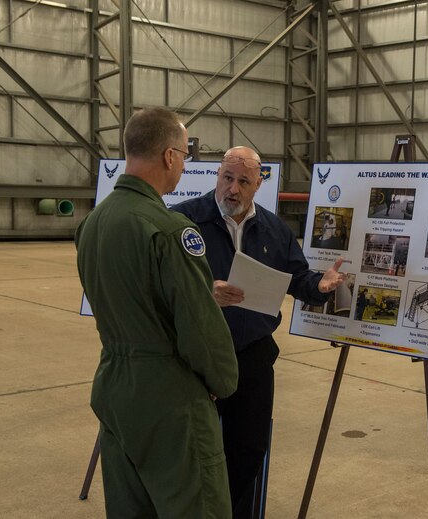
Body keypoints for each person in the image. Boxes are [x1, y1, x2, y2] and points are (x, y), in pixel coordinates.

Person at [75, 108, 239, 518]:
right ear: (169, 156)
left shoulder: (94, 223)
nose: (184, 166)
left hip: (115, 386)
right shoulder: (169, 230)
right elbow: (199, 327)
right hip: (170, 400)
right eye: (185, 155)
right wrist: (222, 381)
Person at [171, 146, 346, 518]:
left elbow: (297, 276)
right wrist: (205, 291)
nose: (232, 189)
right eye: (227, 178)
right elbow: (159, 281)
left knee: (248, 449)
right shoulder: (183, 220)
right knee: (190, 450)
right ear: (217, 176)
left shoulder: (273, 229)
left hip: (252, 356)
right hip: (195, 355)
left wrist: (320, 286)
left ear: (258, 184)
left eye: (243, 181)